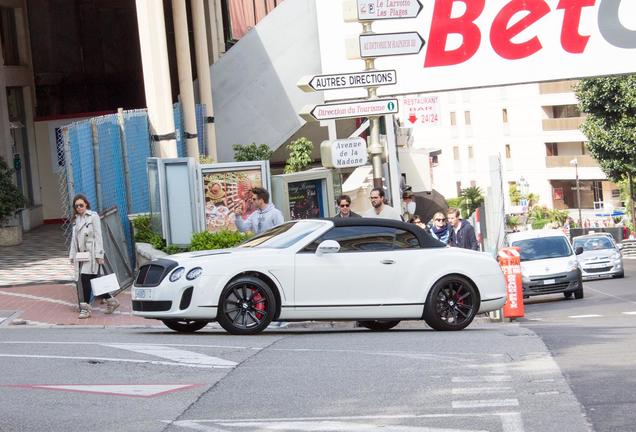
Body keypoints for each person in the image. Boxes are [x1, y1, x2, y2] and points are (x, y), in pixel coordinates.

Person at [69, 194, 119, 319]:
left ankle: (85, 309)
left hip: (91, 254)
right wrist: (72, 255)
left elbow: (98, 236)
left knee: (85, 279)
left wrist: (99, 254)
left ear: (86, 204)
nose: (79, 207)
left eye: (81, 205)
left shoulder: (93, 217)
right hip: (81, 255)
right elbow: (73, 240)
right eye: (77, 206)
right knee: (94, 281)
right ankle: (111, 301)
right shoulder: (76, 220)